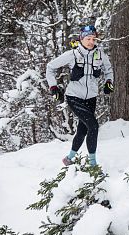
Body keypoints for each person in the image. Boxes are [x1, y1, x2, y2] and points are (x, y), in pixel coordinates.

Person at [46, 24, 114, 167]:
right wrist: (53, 87)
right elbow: (50, 67)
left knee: (83, 130)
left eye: (93, 39)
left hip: (91, 98)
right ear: (81, 39)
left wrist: (109, 82)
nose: (91, 42)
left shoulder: (100, 54)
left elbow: (108, 70)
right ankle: (93, 164)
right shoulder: (73, 54)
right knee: (93, 126)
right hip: (74, 97)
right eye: (88, 38)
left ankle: (69, 158)